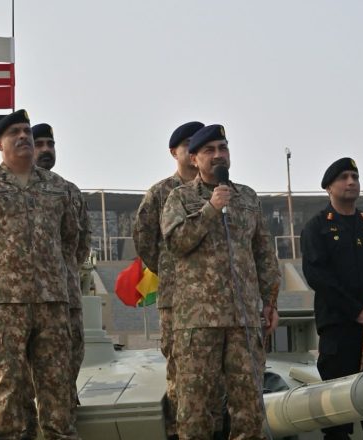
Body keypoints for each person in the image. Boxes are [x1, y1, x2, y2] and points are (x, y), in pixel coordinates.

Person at [0, 109, 80, 440]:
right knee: (6, 388)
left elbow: (71, 241)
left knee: (57, 388)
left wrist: (56, 278)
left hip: (51, 304)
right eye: (14, 133)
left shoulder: (58, 188)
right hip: (3, 306)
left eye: (26, 131)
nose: (23, 136)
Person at [161, 124, 280, 440]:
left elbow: (264, 252)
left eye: (222, 148)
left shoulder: (247, 197)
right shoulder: (180, 198)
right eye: (209, 150)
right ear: (195, 157)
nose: (218, 155)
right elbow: (176, 243)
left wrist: (270, 302)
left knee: (249, 408)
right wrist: (211, 209)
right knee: (196, 410)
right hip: (199, 322)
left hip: (243, 320)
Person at [300, 157, 363, 440]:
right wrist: (356, 310)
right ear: (328, 187)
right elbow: (318, 277)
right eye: (343, 177)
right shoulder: (317, 227)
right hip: (339, 331)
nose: (351, 182)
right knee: (337, 419)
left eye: (355, 177)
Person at [132, 121, 202, 439]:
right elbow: (144, 239)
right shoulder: (161, 193)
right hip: (177, 300)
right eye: (187, 143)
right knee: (180, 370)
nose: (194, 149)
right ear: (174, 152)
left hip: (220, 303)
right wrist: (169, 269)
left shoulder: (221, 192)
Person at [32, 122, 92, 429]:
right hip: (25, 302)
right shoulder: (0, 189)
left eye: (49, 144)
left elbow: (80, 245)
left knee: (71, 357)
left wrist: (63, 273)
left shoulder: (69, 192)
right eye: (38, 143)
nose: (45, 150)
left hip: (66, 296)